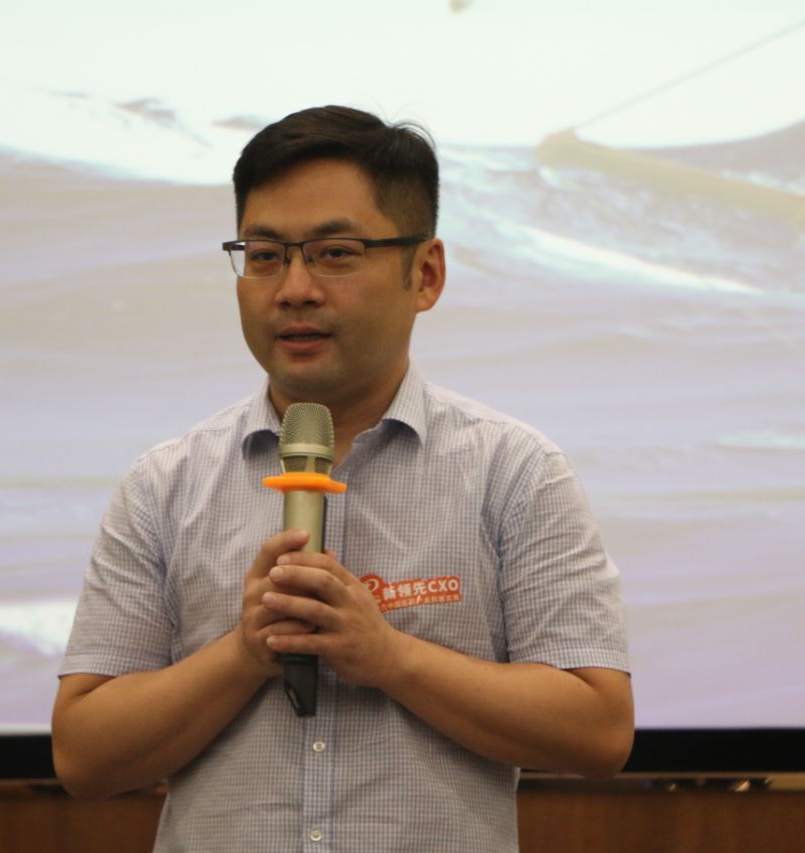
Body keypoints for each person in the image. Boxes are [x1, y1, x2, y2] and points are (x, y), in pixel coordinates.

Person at [52, 105, 633, 852]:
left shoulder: (514, 471)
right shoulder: (166, 483)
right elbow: (84, 755)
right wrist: (242, 654)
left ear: (425, 274)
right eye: (265, 255)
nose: (294, 288)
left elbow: (598, 729)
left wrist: (390, 657)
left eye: (335, 253)